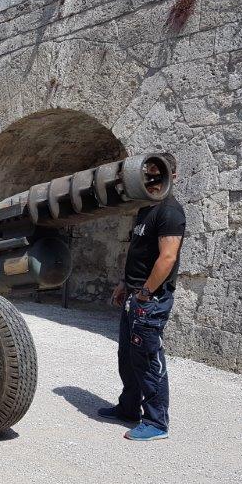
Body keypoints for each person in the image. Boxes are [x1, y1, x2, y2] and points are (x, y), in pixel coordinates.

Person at [99, 154, 186, 441]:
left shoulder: (170, 211)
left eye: (157, 173)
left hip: (151, 300)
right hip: (135, 296)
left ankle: (156, 422)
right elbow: (140, 254)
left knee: (148, 360)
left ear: (171, 176)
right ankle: (128, 408)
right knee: (128, 356)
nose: (150, 178)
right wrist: (126, 284)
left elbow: (168, 257)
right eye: (147, 173)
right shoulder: (145, 210)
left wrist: (146, 293)